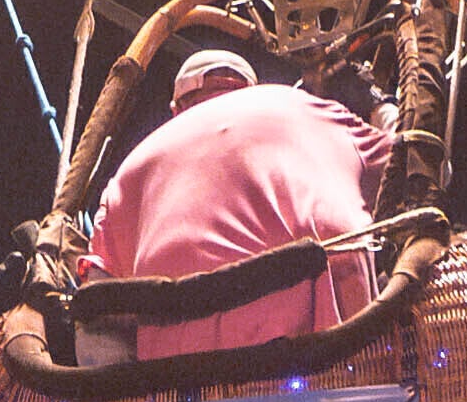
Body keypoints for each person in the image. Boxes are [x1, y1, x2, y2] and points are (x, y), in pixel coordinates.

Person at [85, 38, 380, 354]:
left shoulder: (130, 169)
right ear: (249, 88)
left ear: (176, 110)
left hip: (187, 373)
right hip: (338, 350)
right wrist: (377, 102)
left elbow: (96, 307)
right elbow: (405, 164)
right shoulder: (304, 106)